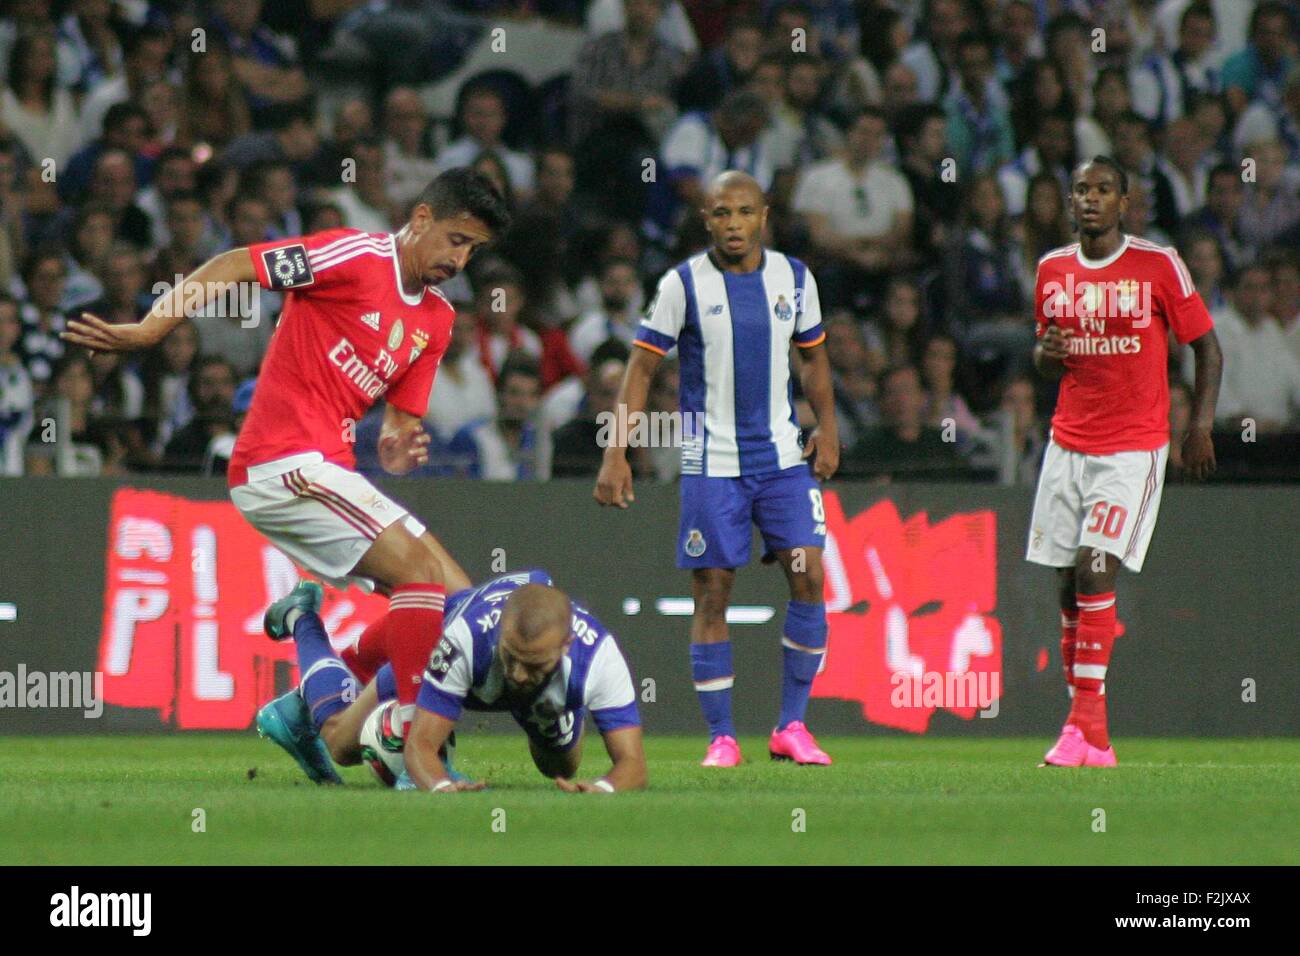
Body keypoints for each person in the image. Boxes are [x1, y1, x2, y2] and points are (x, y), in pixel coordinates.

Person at [62, 168, 512, 785]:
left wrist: (399, 442)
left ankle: (307, 704)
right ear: (423, 218)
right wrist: (150, 328)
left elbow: (398, 419)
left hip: (329, 467)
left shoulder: (434, 320)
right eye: (457, 239)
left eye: (474, 250)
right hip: (280, 462)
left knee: (456, 607)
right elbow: (232, 265)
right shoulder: (354, 257)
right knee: (421, 578)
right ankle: (418, 755)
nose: (460, 259)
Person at [595, 171, 840, 768]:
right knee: (713, 592)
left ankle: (791, 727)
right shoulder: (681, 284)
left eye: (745, 212)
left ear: (764, 216)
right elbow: (641, 369)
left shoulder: (794, 277)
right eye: (722, 213)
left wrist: (828, 429)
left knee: (808, 575)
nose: (733, 224)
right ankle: (722, 737)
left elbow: (812, 360)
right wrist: (617, 451)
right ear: (705, 218)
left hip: (783, 459)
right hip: (711, 462)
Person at [1028, 156, 1222, 768]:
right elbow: (1045, 360)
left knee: (1094, 567)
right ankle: (1096, 738)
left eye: (1103, 189)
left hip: (1133, 447)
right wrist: (1046, 351)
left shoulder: (1157, 264)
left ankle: (1077, 723)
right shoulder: (1052, 270)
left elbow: (1207, 350)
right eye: (1081, 189)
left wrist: (1199, 425)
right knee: (1066, 584)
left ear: (1124, 201)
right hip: (1066, 444)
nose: (1090, 199)